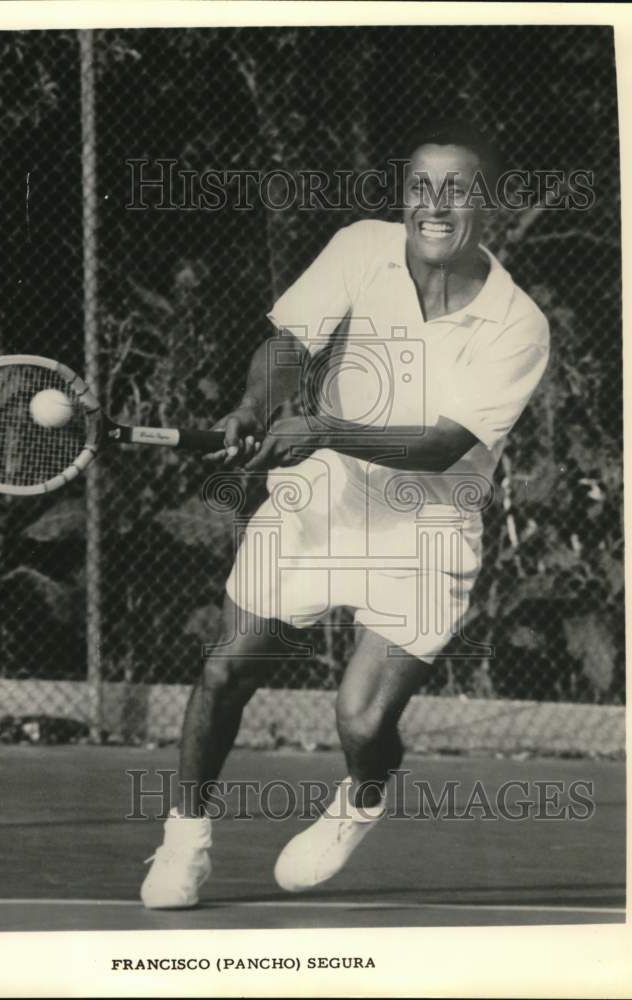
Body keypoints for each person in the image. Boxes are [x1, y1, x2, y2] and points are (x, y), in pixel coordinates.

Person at [140, 120, 550, 908]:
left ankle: (362, 796)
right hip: (324, 494)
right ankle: (183, 845)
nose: (435, 204)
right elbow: (290, 342)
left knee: (360, 722)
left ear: (484, 203)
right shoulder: (361, 246)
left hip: (428, 526)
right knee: (228, 667)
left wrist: (320, 428)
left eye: (456, 188)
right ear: (403, 199)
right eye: (420, 188)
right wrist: (249, 408)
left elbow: (438, 446)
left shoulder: (516, 323)